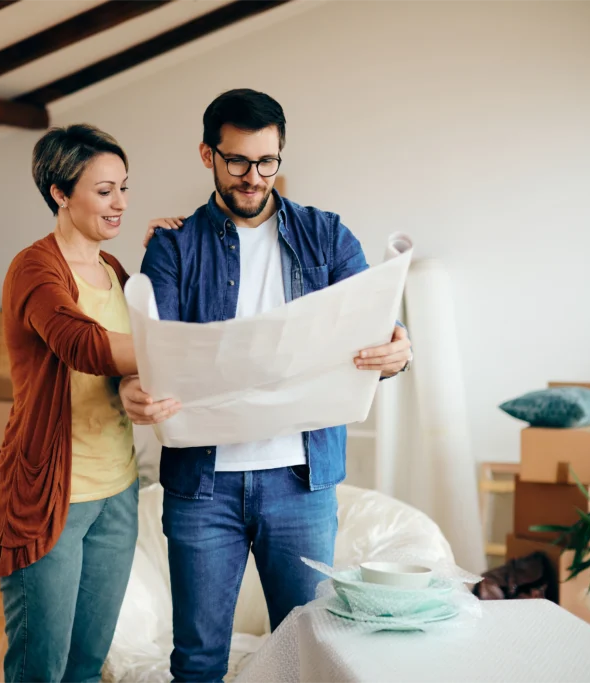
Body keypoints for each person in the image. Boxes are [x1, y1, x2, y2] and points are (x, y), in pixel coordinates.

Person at [120, 88, 412, 682]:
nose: (254, 177)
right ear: (207, 155)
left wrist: (397, 350)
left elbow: (371, 320)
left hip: (300, 483)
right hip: (203, 486)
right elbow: (154, 349)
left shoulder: (327, 236)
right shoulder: (173, 247)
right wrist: (134, 384)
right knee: (198, 659)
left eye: (268, 161)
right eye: (237, 162)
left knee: (309, 654)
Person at [0, 123, 180, 683]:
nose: (119, 202)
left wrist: (170, 248)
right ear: (60, 194)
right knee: (39, 670)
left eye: (124, 187)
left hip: (116, 492)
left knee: (89, 667)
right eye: (103, 191)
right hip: (51, 499)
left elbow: (114, 373)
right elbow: (84, 345)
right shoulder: (35, 269)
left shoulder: (118, 272)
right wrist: (176, 353)